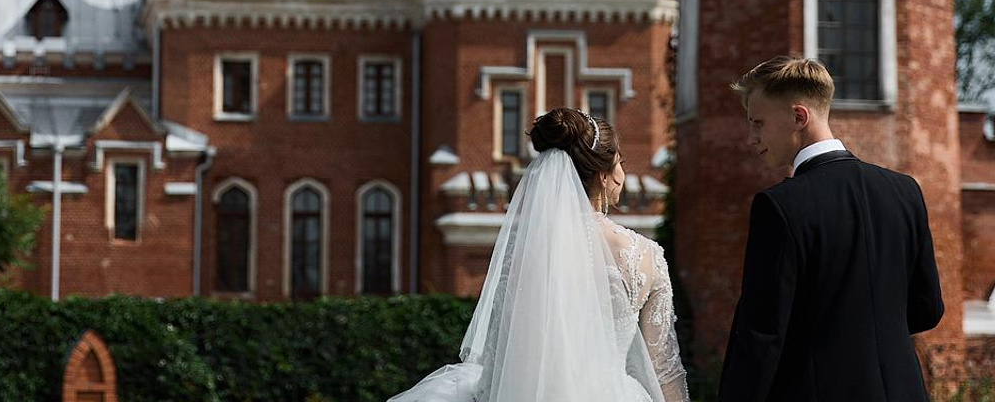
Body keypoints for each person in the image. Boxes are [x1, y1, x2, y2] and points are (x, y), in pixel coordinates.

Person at [387, 107, 689, 402]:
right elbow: (663, 367)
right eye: (621, 163)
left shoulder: (525, 252)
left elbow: (499, 359)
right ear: (604, 174)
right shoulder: (645, 256)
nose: (623, 174)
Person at [718, 56, 946, 402]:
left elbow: (762, 332)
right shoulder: (904, 190)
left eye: (758, 123)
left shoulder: (781, 205)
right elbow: (927, 308)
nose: (752, 137)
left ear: (798, 117)